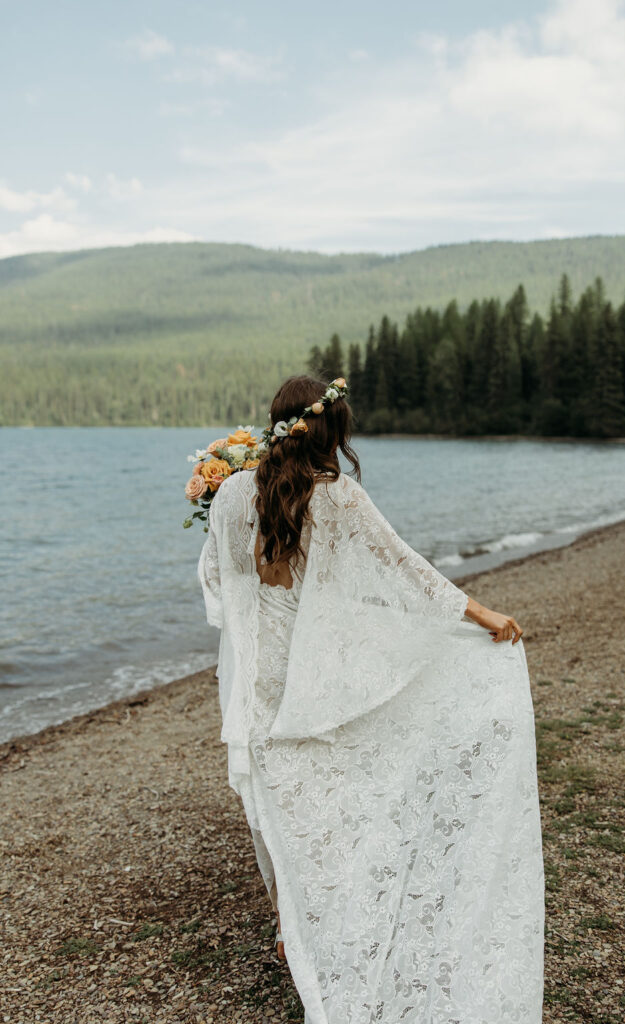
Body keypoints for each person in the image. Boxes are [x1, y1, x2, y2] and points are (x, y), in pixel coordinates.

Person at [198, 374, 544, 1024]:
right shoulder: (338, 498)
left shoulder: (229, 496)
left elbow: (216, 584)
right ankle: (321, 935)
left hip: (256, 686)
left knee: (279, 809)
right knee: (332, 811)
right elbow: (407, 572)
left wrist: (263, 611)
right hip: (314, 684)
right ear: (332, 431)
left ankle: (288, 928)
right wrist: (482, 614)